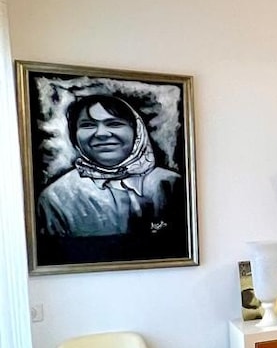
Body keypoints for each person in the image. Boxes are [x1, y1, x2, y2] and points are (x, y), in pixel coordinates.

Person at [36, 93, 185, 256]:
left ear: (137, 131)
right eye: (88, 125)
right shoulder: (57, 197)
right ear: (74, 135)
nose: (101, 134)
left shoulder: (171, 184)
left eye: (114, 123)